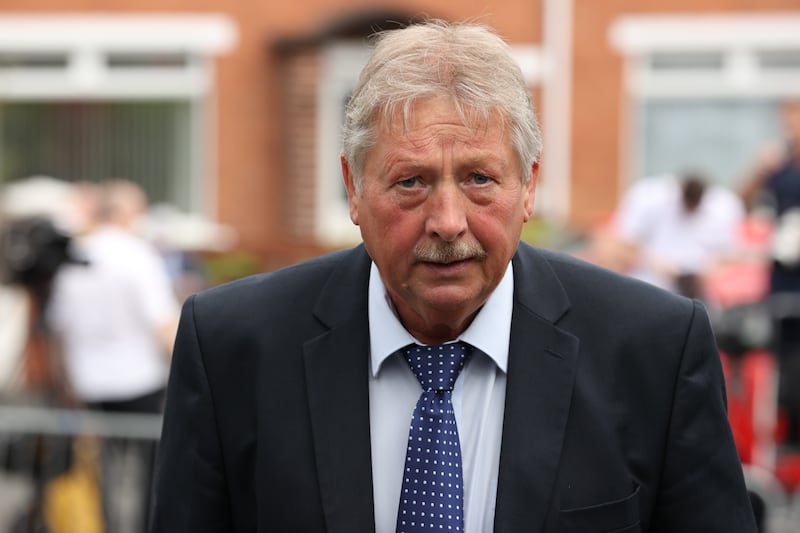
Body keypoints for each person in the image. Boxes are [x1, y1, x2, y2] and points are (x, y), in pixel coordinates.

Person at [150, 20, 757, 532]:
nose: (446, 222)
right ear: (353, 189)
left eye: (479, 180)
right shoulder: (232, 346)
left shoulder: (654, 349)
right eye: (410, 182)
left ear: (529, 188)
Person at [46, 179, 180, 531]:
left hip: (88, 381)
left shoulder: (73, 256)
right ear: (125, 213)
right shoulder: (138, 255)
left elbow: (59, 331)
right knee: (149, 474)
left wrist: (66, 382)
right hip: (137, 380)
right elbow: (164, 324)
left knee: (96, 474)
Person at [740, 98, 800, 446]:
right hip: (783, 282)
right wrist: (758, 170)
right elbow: (741, 202)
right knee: (785, 364)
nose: (789, 123)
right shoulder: (778, 168)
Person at [594, 172, 744, 299]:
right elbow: (620, 243)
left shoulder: (721, 208)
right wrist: (655, 264)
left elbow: (729, 254)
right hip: (650, 287)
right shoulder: (651, 198)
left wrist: (706, 273)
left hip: (696, 292)